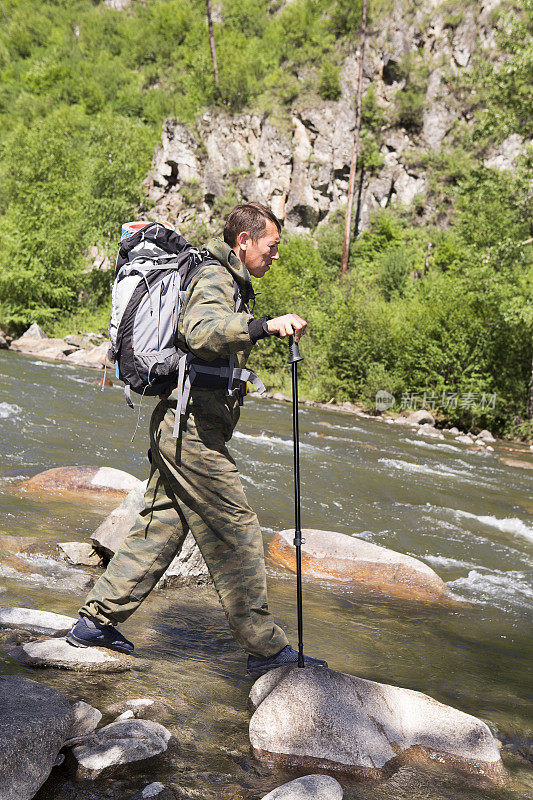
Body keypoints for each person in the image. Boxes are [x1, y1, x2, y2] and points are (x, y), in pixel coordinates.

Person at [66, 202, 327, 677]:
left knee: (160, 528)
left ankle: (96, 622)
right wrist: (263, 326)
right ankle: (266, 649)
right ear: (243, 241)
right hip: (191, 434)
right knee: (237, 527)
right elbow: (201, 330)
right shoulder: (214, 276)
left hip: (182, 428)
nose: (275, 256)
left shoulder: (225, 279)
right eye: (271, 246)